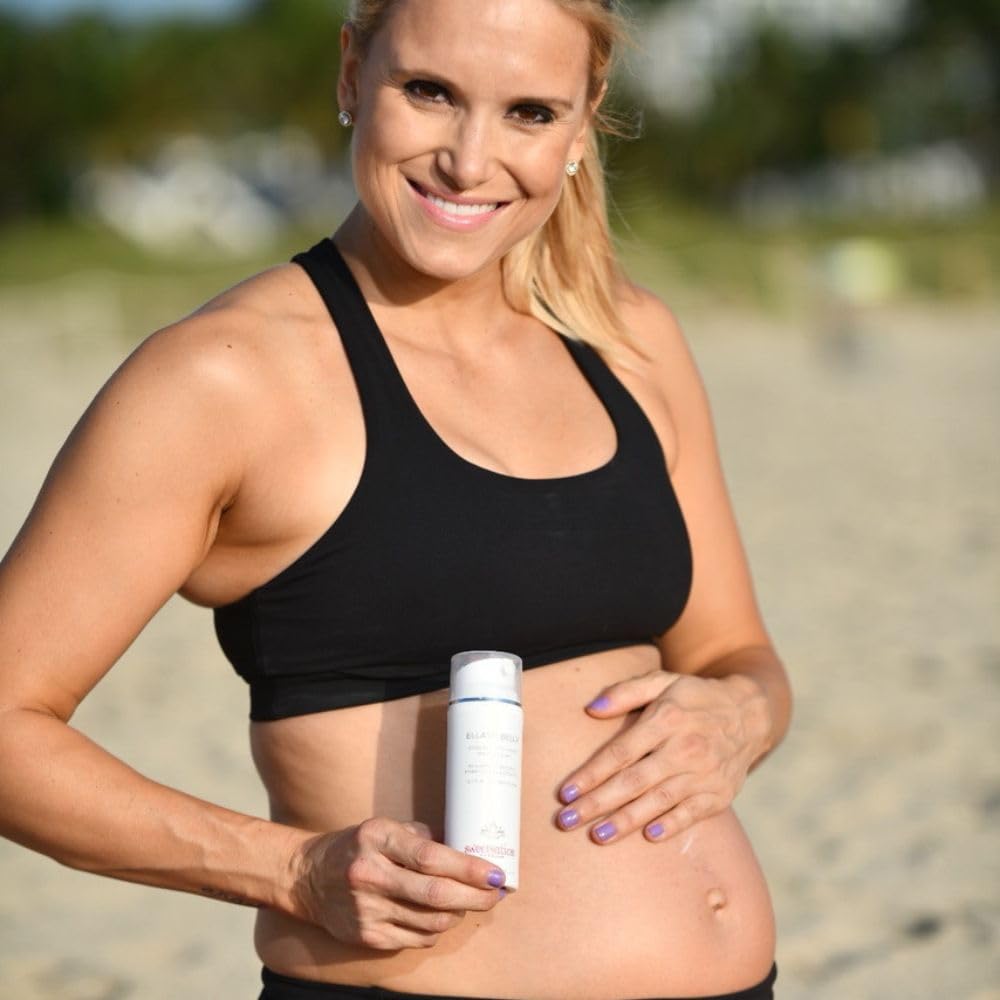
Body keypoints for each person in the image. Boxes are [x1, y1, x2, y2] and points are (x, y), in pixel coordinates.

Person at [0, 0, 792, 997]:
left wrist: (740, 716)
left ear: (583, 121)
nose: (469, 160)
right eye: (429, 92)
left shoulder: (629, 342)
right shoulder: (225, 379)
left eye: (529, 112)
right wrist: (292, 870)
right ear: (350, 74)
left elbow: (736, 653)